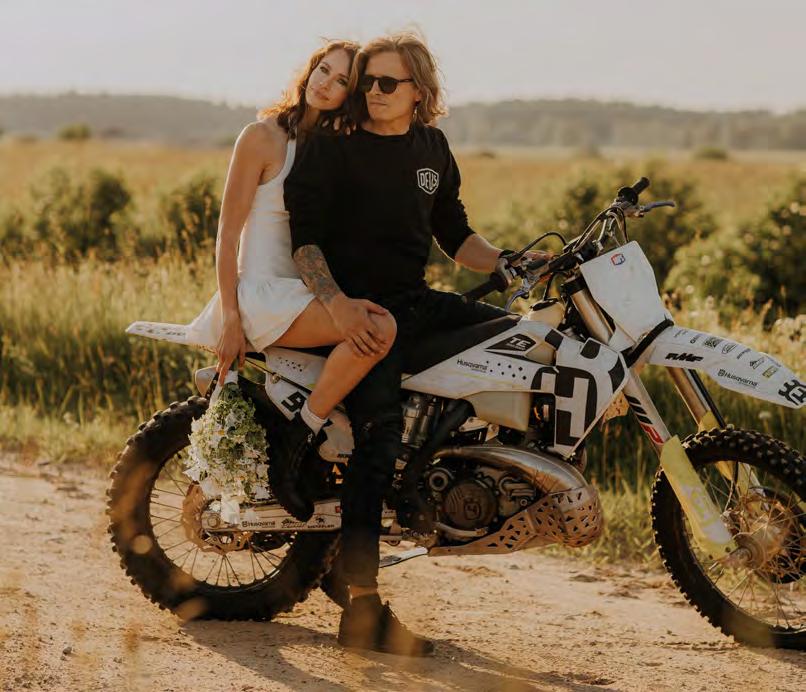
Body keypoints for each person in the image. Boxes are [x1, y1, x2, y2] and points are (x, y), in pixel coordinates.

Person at [283, 32, 549, 656]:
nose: (372, 92)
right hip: (362, 316)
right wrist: (339, 307)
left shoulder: (432, 147)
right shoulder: (333, 146)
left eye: (387, 83)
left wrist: (506, 260)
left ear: (418, 91)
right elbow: (305, 241)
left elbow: (455, 234)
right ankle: (362, 609)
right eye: (367, 82)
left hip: (415, 303)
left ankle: (446, 466)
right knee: (377, 441)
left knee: (517, 340)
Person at [184, 39, 398, 520]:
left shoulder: (331, 147)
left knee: (380, 321)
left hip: (302, 294)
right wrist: (231, 316)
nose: (326, 84)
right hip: (261, 295)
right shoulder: (261, 137)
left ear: (350, 95)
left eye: (341, 81)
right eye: (324, 70)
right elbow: (227, 234)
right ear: (309, 70)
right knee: (377, 329)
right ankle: (296, 441)